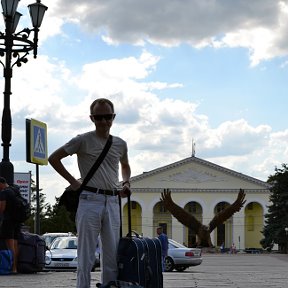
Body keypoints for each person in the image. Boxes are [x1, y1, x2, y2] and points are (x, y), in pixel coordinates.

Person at [48, 98, 131, 288]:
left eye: (107, 117)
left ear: (113, 117)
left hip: (112, 200)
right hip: (89, 200)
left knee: (111, 256)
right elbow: (54, 158)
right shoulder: (82, 140)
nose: (103, 121)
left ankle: (109, 286)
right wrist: (73, 182)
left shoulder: (120, 143)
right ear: (92, 118)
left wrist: (126, 182)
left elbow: (125, 165)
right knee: (85, 255)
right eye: (99, 117)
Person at [0, 177, 21, 273]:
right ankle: (15, 267)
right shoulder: (15, 190)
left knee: (9, 244)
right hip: (17, 220)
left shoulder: (4, 192)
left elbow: (2, 208)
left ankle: (10, 267)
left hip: (8, 220)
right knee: (15, 244)